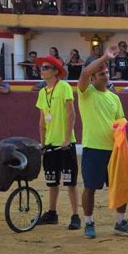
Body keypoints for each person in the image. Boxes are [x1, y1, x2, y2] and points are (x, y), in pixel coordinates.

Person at [76, 44, 128, 239]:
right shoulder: (86, 93)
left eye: (106, 73)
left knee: (120, 186)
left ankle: (120, 222)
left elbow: (121, 121)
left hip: (114, 150)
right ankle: (88, 222)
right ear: (93, 78)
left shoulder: (114, 98)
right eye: (101, 73)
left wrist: (121, 132)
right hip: (93, 148)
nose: (105, 75)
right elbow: (85, 73)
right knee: (90, 187)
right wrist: (104, 58)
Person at [35, 55, 81, 229]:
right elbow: (41, 121)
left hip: (64, 143)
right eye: (42, 67)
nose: (42, 70)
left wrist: (67, 138)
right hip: (50, 143)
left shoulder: (64, 87)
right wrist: (42, 143)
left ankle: (75, 215)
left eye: (46, 67)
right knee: (52, 181)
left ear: (56, 71)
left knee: (70, 181)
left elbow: (71, 114)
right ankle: (52, 212)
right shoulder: (42, 92)